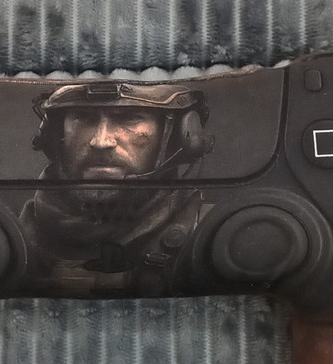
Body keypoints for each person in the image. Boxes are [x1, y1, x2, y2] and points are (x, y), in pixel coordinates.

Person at [21, 81, 213, 296]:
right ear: (54, 135)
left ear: (178, 137)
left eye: (129, 118)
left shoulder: (211, 234)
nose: (101, 141)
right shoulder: (16, 237)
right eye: (83, 117)